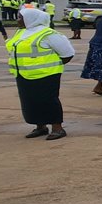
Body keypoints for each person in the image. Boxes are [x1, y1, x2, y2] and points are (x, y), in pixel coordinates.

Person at [7, 8, 74, 139]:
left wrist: (53, 66)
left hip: (46, 74)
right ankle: (40, 127)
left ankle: (57, 128)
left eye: (20, 17)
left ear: (30, 19)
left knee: (48, 101)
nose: (18, 20)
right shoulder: (21, 32)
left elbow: (67, 53)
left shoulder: (48, 34)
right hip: (23, 74)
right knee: (30, 101)